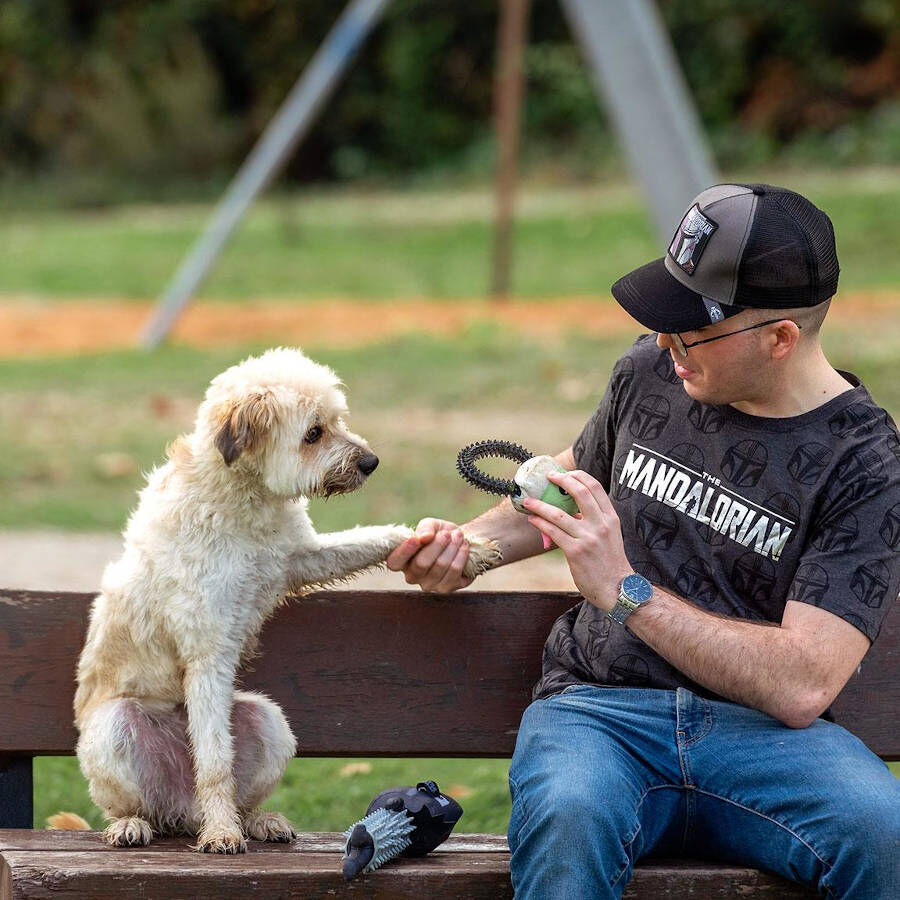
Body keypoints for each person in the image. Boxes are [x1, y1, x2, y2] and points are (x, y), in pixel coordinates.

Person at [387, 183, 900, 899]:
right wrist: (466, 551)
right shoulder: (650, 373)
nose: (667, 344)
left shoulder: (865, 463)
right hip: (598, 714)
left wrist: (626, 594)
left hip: (765, 738)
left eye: (691, 330)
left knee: (882, 832)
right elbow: (569, 488)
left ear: (780, 338)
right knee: (571, 815)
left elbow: (803, 683)